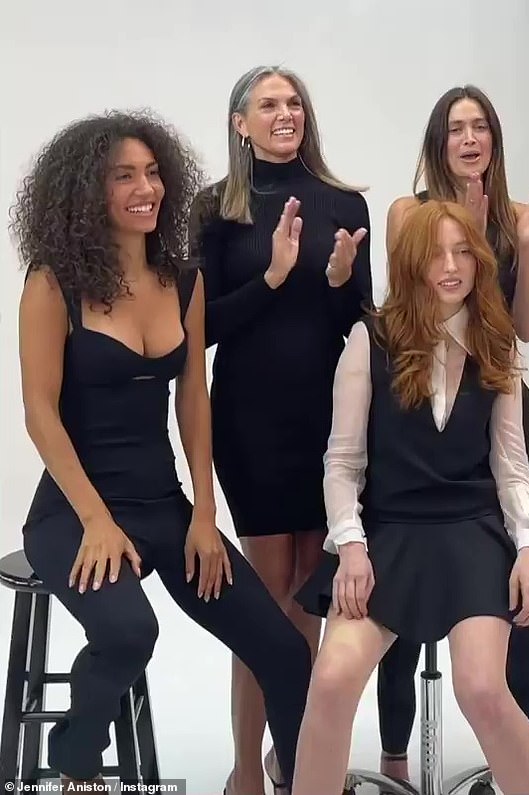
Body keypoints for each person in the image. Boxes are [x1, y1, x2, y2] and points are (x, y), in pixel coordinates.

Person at [10, 110, 311, 793]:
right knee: (127, 632)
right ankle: (75, 765)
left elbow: (193, 401)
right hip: (74, 513)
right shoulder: (53, 283)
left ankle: (299, 780)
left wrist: (204, 514)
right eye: (124, 176)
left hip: (164, 509)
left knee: (287, 653)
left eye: (152, 172)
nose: (145, 187)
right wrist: (95, 519)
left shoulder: (183, 279)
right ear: (88, 191)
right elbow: (39, 413)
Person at [292, 199, 529, 795]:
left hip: (471, 531)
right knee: (333, 679)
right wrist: (352, 548)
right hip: (387, 535)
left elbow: (512, 467)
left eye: (463, 250)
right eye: (436, 251)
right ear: (411, 262)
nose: (451, 265)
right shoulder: (372, 338)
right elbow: (342, 463)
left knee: (483, 689)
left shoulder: (497, 342)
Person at [377, 84, 529, 794]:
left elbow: (526, 328)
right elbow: (409, 304)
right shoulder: (411, 212)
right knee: (402, 587)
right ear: (439, 140)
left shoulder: (517, 215)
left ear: (493, 139)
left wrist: (526, 248)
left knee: (518, 584)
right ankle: (396, 757)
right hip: (419, 409)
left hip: (495, 406)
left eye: (480, 126)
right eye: (456, 127)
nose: (469, 137)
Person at [188, 65, 372, 795]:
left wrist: (335, 284)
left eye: (294, 101)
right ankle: (246, 770)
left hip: (325, 421)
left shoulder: (343, 202)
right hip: (249, 420)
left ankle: (298, 763)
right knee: (266, 602)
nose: (285, 112)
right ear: (240, 123)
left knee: (307, 595)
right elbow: (195, 332)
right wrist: (269, 278)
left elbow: (358, 329)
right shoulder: (214, 211)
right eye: (268, 104)